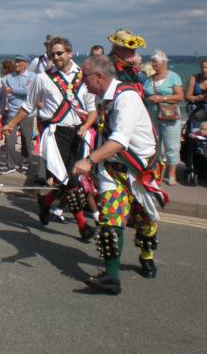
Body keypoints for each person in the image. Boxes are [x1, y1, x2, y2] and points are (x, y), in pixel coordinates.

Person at [73, 55, 168, 294]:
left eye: (84, 77)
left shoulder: (126, 98)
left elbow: (120, 141)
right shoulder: (100, 97)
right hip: (113, 170)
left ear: (100, 76)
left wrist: (90, 160)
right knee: (110, 219)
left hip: (140, 170)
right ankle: (112, 277)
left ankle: (146, 257)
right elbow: (105, 133)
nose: (81, 81)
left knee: (144, 220)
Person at [3, 37, 97, 242]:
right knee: (71, 180)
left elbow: (92, 110)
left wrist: (86, 127)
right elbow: (29, 106)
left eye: (60, 53)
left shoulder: (84, 76)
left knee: (66, 180)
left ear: (70, 53)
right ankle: (83, 226)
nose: (55, 57)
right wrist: (11, 124)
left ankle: (45, 203)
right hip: (54, 135)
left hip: (79, 133)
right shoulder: (42, 78)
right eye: (52, 54)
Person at [143, 50, 184, 186]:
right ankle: (156, 172)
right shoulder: (150, 79)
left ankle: (171, 174)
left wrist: (163, 98)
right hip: (152, 115)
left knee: (171, 145)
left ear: (164, 62)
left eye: (155, 61)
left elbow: (179, 96)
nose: (153, 64)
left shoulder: (173, 77)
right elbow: (144, 94)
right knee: (154, 145)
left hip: (169, 116)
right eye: (152, 61)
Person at [0, 55, 35, 174]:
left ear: (26, 63)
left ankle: (25, 163)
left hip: (27, 112)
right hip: (12, 112)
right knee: (9, 139)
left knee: (26, 138)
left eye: (20, 62)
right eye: (16, 61)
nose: (16, 64)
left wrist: (13, 90)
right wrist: (16, 92)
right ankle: (10, 165)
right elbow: (7, 93)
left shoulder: (32, 76)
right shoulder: (9, 77)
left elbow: (29, 92)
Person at [107, 29, 146, 97]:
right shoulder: (107, 65)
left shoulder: (129, 67)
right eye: (128, 49)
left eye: (134, 49)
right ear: (118, 49)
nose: (133, 52)